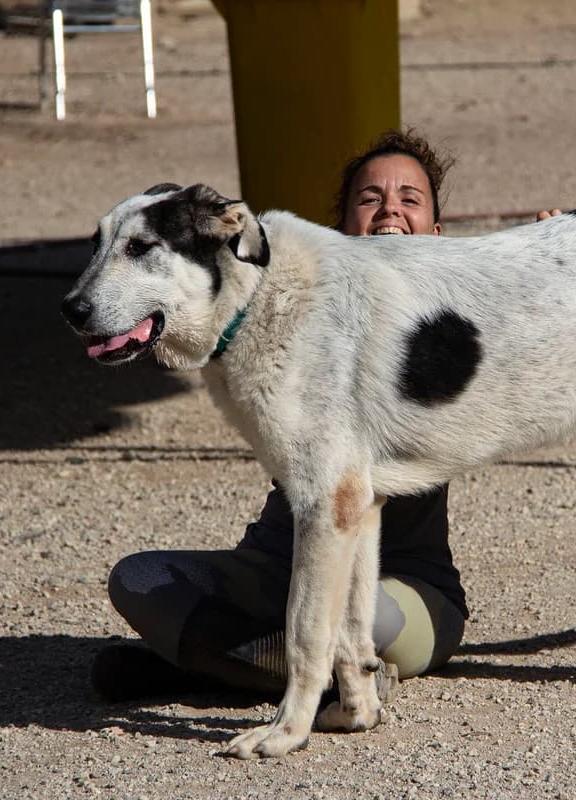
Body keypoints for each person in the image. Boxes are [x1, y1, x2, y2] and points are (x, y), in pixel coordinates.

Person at [92, 130, 470, 702]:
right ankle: (252, 670)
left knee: (348, 613)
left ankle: (210, 667)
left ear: (437, 235)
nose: (390, 207)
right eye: (370, 198)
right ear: (340, 230)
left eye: (410, 199)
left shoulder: (455, 322)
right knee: (137, 579)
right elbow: (217, 297)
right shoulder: (287, 315)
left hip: (406, 592)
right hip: (276, 565)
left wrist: (553, 271)